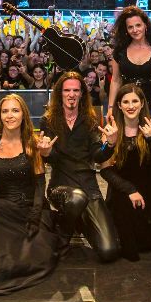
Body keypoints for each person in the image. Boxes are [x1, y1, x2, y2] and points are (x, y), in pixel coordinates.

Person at [0, 94, 62, 294]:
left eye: (15, 110)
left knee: (32, 253)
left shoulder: (32, 141)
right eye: (5, 111)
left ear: (23, 115)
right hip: (2, 208)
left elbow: (39, 183)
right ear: (0, 115)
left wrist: (36, 215)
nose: (10, 116)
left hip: (30, 207)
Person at [39, 72, 120, 263]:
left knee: (109, 251)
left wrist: (110, 144)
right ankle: (62, 232)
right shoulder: (48, 121)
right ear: (60, 93)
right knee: (76, 199)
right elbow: (51, 159)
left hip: (88, 187)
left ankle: (78, 220)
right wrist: (46, 153)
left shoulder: (90, 120)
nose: (71, 94)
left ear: (82, 93)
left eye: (76, 90)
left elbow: (97, 156)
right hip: (61, 186)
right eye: (67, 90)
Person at [101, 84, 151, 261]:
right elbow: (105, 170)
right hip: (124, 190)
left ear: (142, 103)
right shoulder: (112, 130)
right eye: (125, 102)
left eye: (135, 101)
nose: (130, 105)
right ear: (119, 105)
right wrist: (130, 190)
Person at [108, 6, 151, 110]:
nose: (135, 30)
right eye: (130, 27)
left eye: (138, 25)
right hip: (125, 108)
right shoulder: (119, 51)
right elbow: (115, 81)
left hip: (150, 109)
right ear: (126, 30)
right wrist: (110, 107)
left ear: (145, 25)